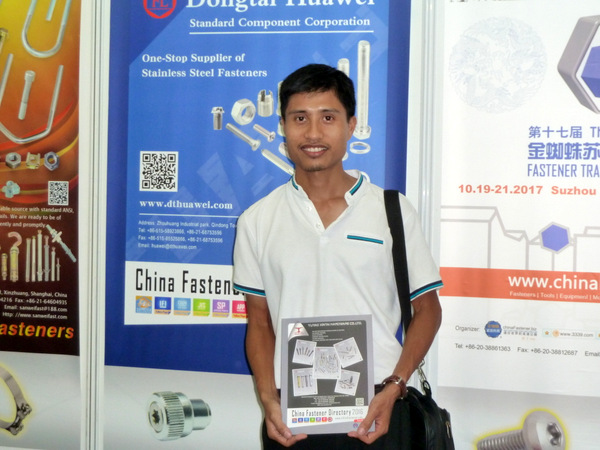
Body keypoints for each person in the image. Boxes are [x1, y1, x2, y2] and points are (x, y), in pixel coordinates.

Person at [233, 64, 443, 449]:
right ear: (283, 127)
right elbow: (259, 322)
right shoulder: (257, 220)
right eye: (300, 118)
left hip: (380, 409)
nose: (313, 133)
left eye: (328, 118)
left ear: (351, 126)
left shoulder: (392, 210)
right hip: (293, 418)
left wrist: (396, 386)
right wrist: (267, 399)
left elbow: (427, 309)